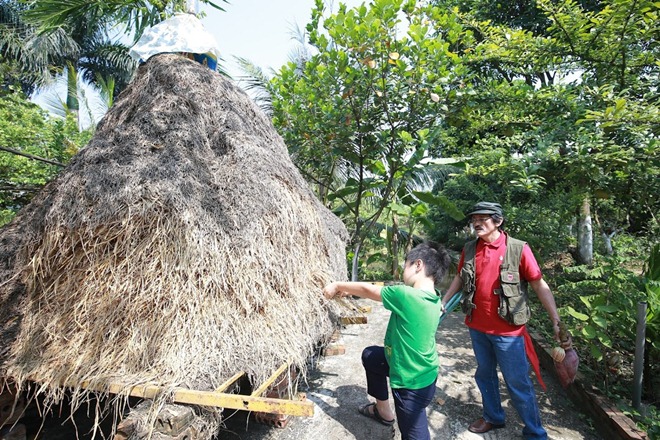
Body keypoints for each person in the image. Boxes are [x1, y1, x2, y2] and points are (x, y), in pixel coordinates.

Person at [441, 201, 570, 440]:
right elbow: (460, 277)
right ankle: (493, 416)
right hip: (477, 327)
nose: (477, 223)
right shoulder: (470, 248)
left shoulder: (518, 249)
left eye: (483, 219)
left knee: (517, 382)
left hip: (508, 332)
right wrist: (444, 301)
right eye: (474, 219)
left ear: (498, 221)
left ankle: (535, 432)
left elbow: (539, 284)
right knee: (484, 374)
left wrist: (556, 320)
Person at [323, 242, 451, 440]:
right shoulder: (434, 297)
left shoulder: (406, 295)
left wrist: (337, 285)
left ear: (418, 265)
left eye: (405, 265)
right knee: (372, 356)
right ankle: (383, 412)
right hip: (424, 372)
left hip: (410, 383)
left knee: (414, 434)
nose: (403, 271)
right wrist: (352, 291)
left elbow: (368, 290)